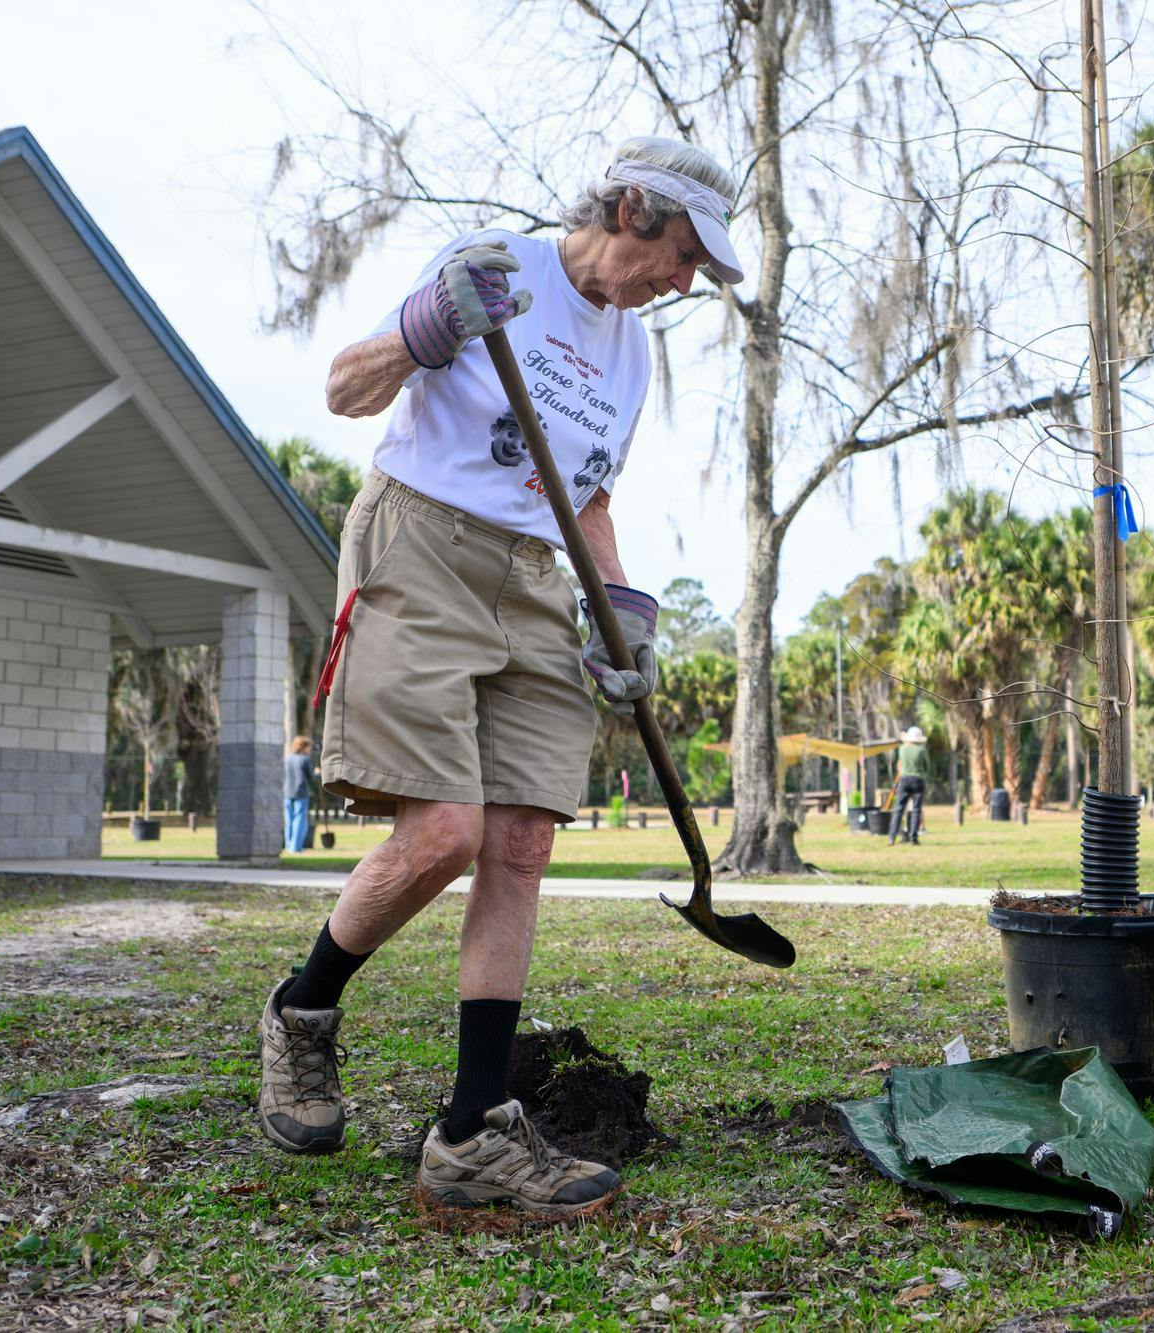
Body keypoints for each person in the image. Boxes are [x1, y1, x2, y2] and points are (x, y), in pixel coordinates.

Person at [255, 137, 744, 1223]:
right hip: (420, 543)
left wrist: (619, 609)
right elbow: (345, 388)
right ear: (627, 207)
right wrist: (429, 324)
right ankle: (302, 1009)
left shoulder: (633, 355)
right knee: (444, 833)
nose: (682, 281)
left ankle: (472, 1135)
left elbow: (590, 494)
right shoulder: (494, 269)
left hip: (535, 574)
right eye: (678, 253)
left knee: (522, 840)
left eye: (697, 269)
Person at [888, 726, 929, 845]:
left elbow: (900, 764)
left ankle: (892, 837)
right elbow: (927, 766)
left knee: (899, 809)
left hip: (904, 780)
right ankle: (913, 838)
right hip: (918, 779)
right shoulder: (922, 750)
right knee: (916, 809)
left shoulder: (902, 749)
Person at [283, 736, 317, 854]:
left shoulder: (287, 758)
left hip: (287, 792)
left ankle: (288, 845)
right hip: (301, 792)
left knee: (289, 819)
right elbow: (311, 778)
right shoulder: (305, 760)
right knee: (300, 820)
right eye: (309, 747)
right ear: (304, 747)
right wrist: (319, 773)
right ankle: (296, 847)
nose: (310, 750)